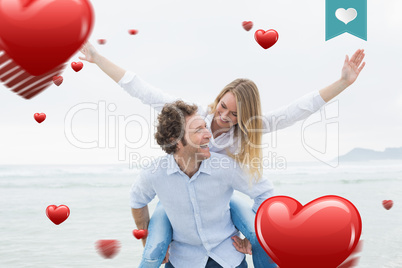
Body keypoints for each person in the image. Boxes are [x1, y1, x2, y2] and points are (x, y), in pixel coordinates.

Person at [79, 43, 366, 267]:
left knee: (259, 237)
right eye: (223, 106)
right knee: (154, 248)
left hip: (220, 200)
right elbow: (141, 90)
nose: (224, 116)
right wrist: (97, 57)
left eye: (234, 114)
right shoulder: (191, 116)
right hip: (178, 198)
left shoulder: (244, 133)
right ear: (220, 97)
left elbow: (294, 112)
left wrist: (342, 83)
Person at [130, 100, 274, 268]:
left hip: (227, 257)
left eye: (206, 127)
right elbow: (137, 201)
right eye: (199, 130)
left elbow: (265, 192)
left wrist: (251, 235)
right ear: (175, 141)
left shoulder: (225, 167)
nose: (209, 134)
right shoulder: (154, 173)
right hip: (182, 260)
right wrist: (148, 239)